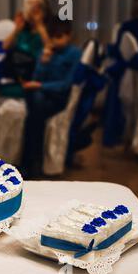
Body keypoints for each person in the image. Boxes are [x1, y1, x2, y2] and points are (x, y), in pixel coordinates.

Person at [21, 18, 81, 178]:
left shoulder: (74, 53)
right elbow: (37, 77)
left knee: (34, 114)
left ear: (69, 35)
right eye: (53, 37)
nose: (55, 41)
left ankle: (29, 164)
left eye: (59, 37)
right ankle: (34, 164)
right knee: (35, 112)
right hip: (41, 98)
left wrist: (41, 86)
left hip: (59, 98)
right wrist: (43, 62)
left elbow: (66, 84)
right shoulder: (46, 50)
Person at [0, 0, 53, 98]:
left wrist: (39, 24)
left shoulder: (48, 30)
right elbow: (4, 47)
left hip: (35, 78)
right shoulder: (23, 30)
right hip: (16, 75)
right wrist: (16, 29)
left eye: (33, 8)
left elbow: (50, 49)